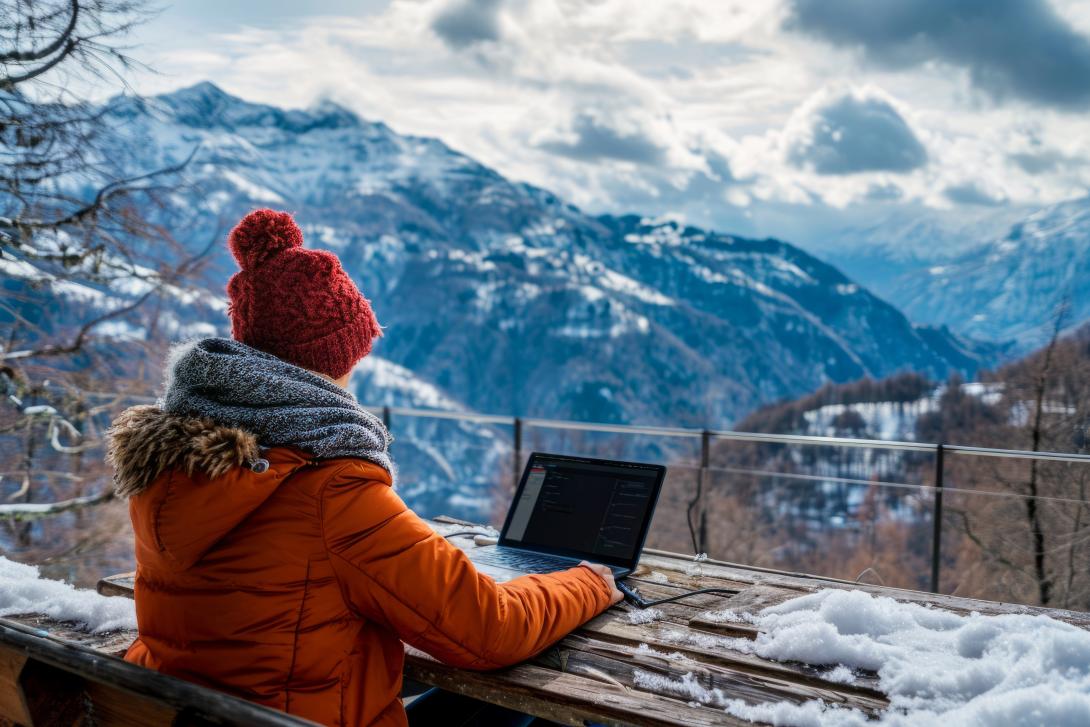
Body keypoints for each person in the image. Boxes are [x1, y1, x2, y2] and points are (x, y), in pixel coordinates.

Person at [106, 209, 622, 727]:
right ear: (340, 358)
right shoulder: (333, 488)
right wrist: (591, 582)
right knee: (538, 712)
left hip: (198, 712)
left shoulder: (175, 467)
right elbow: (491, 630)